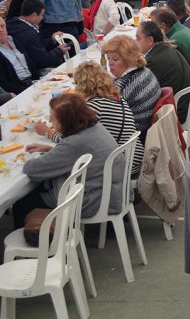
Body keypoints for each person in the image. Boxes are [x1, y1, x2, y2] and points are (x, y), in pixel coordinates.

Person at [15, 94, 124, 229]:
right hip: (111, 192)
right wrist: (51, 150)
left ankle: (35, 244)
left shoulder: (74, 143)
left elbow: (32, 169)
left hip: (92, 201)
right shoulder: (94, 127)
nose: (49, 120)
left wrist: (46, 155)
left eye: (53, 118)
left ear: (66, 121)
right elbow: (73, 153)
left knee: (22, 200)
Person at [36, 62, 145, 175]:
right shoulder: (114, 96)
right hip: (134, 156)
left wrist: (48, 132)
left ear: (82, 85)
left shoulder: (94, 107)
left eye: (76, 83)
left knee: (58, 170)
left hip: (122, 166)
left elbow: (74, 142)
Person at [101, 35, 161, 135]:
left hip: (134, 136)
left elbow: (108, 115)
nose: (110, 63)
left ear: (128, 59)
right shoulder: (145, 71)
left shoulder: (124, 86)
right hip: (146, 127)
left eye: (115, 59)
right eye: (108, 58)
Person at [135, 21, 190, 122]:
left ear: (150, 40)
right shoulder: (165, 48)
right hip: (185, 103)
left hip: (175, 112)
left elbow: (141, 93)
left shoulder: (153, 61)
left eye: (138, 38)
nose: (135, 42)